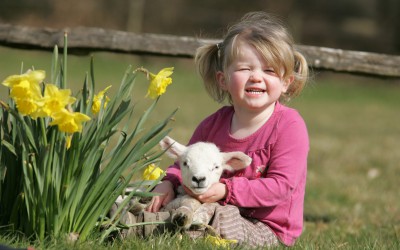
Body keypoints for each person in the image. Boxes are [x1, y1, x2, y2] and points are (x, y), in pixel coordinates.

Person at [147, 11, 309, 247]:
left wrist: (226, 191)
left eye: (269, 71)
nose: (256, 77)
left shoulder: (289, 126)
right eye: (245, 69)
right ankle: (134, 221)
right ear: (223, 79)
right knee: (163, 203)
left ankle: (180, 228)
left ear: (285, 83)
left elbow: (281, 186)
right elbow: (184, 162)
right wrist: (168, 183)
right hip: (211, 208)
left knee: (218, 217)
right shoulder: (212, 125)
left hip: (266, 227)